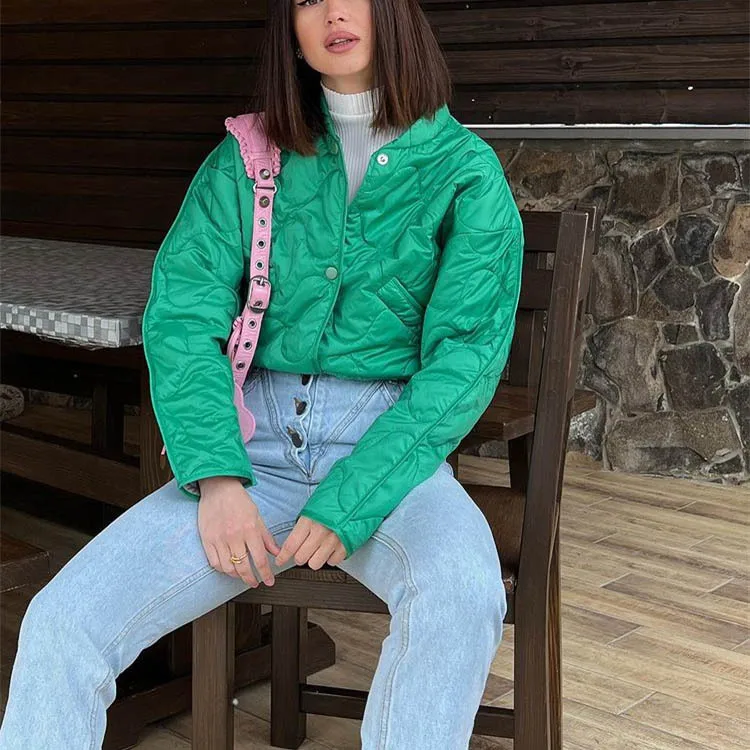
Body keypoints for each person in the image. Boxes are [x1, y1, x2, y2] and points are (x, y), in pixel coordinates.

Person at [0, 0, 524, 747]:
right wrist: (216, 478)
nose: (333, 12)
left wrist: (353, 499)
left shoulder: (464, 171)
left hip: (390, 454)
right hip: (252, 450)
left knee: (462, 595)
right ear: (292, 33)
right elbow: (183, 317)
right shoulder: (247, 159)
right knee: (63, 622)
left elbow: (464, 358)